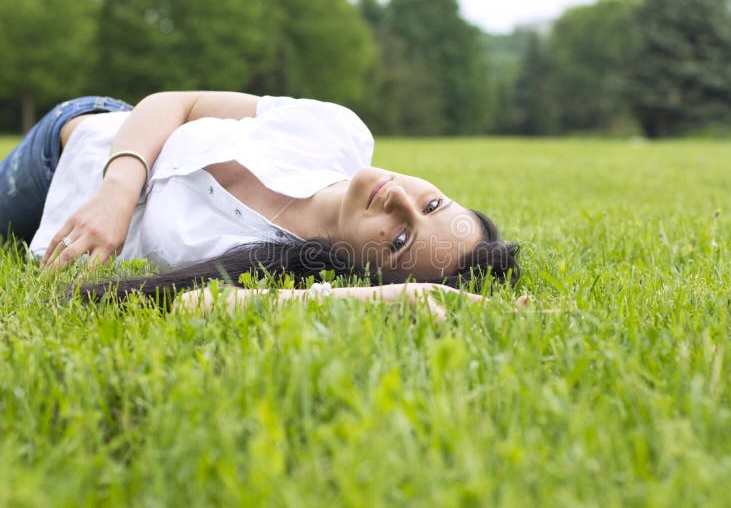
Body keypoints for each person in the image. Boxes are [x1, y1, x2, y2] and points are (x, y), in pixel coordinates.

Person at [0, 92, 521, 316]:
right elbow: (173, 104)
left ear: (365, 274)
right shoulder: (337, 131)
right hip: (73, 144)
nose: (401, 200)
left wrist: (401, 299)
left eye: (401, 239)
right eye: (432, 205)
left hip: (51, 228)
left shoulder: (271, 270)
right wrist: (116, 195)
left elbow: (199, 306)